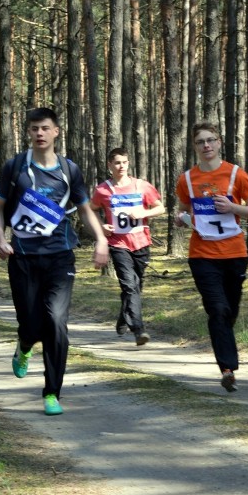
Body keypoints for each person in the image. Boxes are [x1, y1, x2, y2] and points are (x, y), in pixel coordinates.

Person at [0, 107, 109, 416]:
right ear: (28, 132)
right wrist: (1, 239)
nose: (39, 133)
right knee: (30, 324)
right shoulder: (15, 167)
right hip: (23, 257)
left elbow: (84, 209)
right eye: (34, 129)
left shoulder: (69, 170)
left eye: (45, 128)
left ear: (56, 131)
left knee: (56, 322)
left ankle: (52, 392)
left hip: (59, 255)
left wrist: (101, 240)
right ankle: (25, 345)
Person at [175, 122, 248, 392]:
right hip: (202, 255)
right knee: (217, 309)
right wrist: (181, 219)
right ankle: (227, 369)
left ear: (219, 142)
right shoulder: (187, 179)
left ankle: (225, 348)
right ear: (194, 146)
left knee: (230, 311)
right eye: (200, 141)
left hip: (234, 253)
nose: (206, 146)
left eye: (211, 140)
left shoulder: (235, 174)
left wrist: (233, 206)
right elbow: (181, 210)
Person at [90, 147, 165, 346]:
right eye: (117, 163)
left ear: (128, 163)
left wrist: (143, 214)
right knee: (129, 286)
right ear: (109, 165)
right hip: (118, 243)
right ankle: (139, 329)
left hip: (141, 242)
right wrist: (101, 226)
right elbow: (90, 211)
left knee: (137, 286)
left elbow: (160, 207)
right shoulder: (102, 190)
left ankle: (124, 315)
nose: (121, 166)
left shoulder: (141, 186)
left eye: (124, 162)